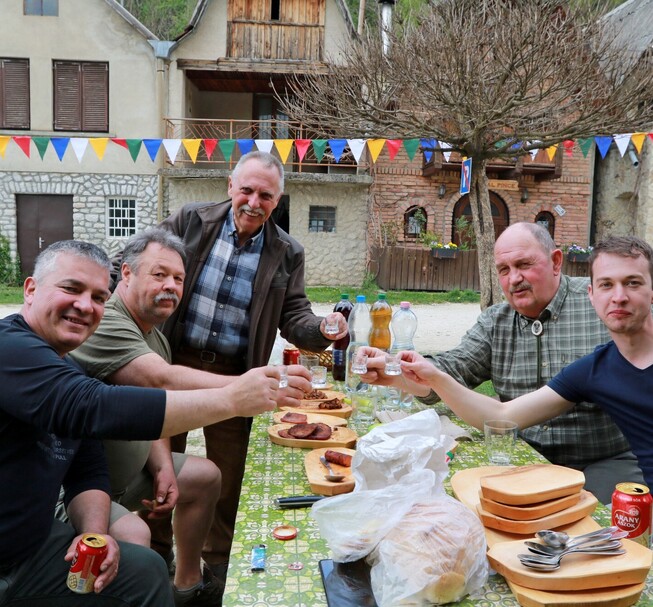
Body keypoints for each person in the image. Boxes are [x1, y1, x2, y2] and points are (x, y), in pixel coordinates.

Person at [0, 239, 282, 605]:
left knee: (146, 571)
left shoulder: (71, 365)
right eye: (71, 289)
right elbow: (91, 405)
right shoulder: (9, 348)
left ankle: (187, 587)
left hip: (32, 547)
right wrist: (231, 398)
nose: (85, 306)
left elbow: (87, 471)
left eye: (98, 297)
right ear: (31, 289)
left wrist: (94, 537)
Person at [69, 227, 312, 606]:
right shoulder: (107, 321)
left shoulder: (156, 335)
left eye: (179, 279)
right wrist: (238, 391)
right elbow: (158, 378)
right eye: (159, 274)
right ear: (127, 274)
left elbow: (154, 407)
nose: (170, 286)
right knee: (136, 534)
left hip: (125, 474)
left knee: (205, 475)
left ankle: (186, 587)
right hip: (80, 486)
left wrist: (164, 465)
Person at [141, 150, 348, 578]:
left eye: (266, 195)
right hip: (171, 361)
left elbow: (294, 315)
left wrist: (324, 328)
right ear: (230, 187)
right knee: (157, 468)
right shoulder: (190, 221)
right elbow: (146, 263)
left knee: (227, 479)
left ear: (278, 200)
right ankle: (154, 556)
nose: (254, 202)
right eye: (247, 190)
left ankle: (217, 566)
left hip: (238, 374)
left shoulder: (287, 251)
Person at [363, 236, 653, 489]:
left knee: (606, 530)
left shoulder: (602, 306)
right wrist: (396, 370)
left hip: (605, 461)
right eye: (504, 270)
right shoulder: (500, 323)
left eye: (524, 265)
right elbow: (469, 384)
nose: (514, 278)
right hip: (525, 458)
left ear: (555, 262)